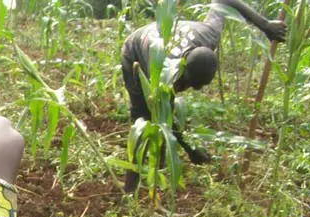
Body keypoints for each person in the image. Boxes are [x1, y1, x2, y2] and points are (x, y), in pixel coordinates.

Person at [120, 0, 286, 191]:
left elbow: (222, 2)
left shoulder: (210, 35)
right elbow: (165, 111)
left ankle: (160, 171)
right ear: (182, 67)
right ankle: (129, 190)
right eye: (189, 83)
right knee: (142, 117)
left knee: (161, 117)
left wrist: (265, 25)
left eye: (200, 85)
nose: (194, 89)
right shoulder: (166, 68)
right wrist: (190, 149)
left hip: (162, 41)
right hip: (135, 52)